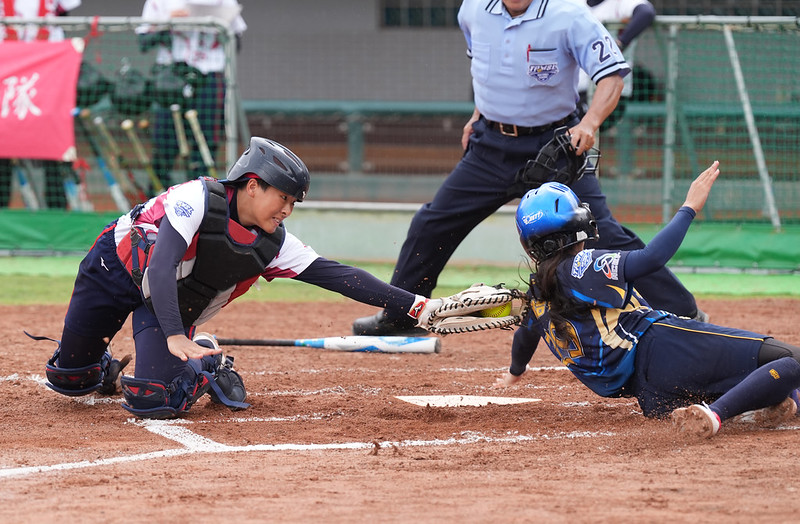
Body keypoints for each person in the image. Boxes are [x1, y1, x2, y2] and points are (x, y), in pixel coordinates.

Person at [352, 0, 705, 337]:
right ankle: (400, 316)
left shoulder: (570, 14)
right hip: (489, 146)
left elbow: (612, 76)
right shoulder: (472, 10)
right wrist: (477, 115)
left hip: (555, 146)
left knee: (601, 232)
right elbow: (486, 71)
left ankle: (685, 313)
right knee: (432, 224)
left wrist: (590, 123)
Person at [37, 137, 437, 419]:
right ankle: (101, 363)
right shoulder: (194, 198)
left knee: (154, 400)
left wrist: (418, 306)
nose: (287, 211)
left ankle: (207, 362)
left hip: (172, 300)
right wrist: (176, 336)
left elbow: (339, 276)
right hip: (115, 269)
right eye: (282, 198)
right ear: (252, 185)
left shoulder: (274, 244)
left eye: (292, 203)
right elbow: (160, 264)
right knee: (70, 378)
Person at [493, 160, 800, 438]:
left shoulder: (536, 293)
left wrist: (514, 372)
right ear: (576, 227)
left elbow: (525, 336)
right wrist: (689, 207)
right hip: (666, 347)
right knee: (792, 362)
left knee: (775, 388)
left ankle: (757, 409)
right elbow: (650, 259)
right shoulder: (578, 266)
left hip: (650, 393)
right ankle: (715, 415)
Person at [136, 0, 246, 190]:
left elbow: (236, 42)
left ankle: (201, 197)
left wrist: (214, 23)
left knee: (205, 144)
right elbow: (144, 42)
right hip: (170, 77)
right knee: (165, 143)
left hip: (208, 77)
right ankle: (156, 199)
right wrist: (169, 23)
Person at [0, 0, 81, 209]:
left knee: (53, 145)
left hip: (46, 77)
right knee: (3, 147)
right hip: (6, 79)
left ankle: (57, 211)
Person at [577, 0, 657, 131]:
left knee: (573, 137)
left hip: (610, 89)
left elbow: (646, 12)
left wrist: (619, 44)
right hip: (575, 88)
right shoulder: (574, 4)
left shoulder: (620, 3)